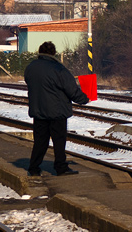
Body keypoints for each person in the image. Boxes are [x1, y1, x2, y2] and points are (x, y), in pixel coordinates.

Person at [24, 40, 90, 176]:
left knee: (40, 142)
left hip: (38, 111)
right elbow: (71, 90)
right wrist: (84, 99)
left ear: (40, 52)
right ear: (53, 53)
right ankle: (60, 167)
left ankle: (34, 168)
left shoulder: (31, 67)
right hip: (57, 112)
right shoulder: (59, 69)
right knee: (59, 142)